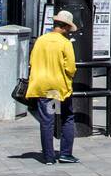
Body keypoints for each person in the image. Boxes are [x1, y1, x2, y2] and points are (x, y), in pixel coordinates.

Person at [26, 9, 79, 165]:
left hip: (43, 87)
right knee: (67, 117)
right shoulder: (65, 43)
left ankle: (48, 156)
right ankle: (65, 153)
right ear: (66, 27)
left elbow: (32, 61)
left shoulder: (41, 40)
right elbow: (70, 67)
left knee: (47, 120)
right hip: (58, 87)